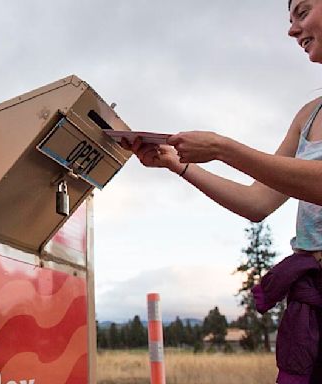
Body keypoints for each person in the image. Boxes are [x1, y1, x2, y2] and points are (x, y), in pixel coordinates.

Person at [122, 1, 322, 383]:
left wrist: (222, 149)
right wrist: (178, 164)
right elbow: (258, 201)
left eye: (302, 12)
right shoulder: (308, 115)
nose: (292, 30)